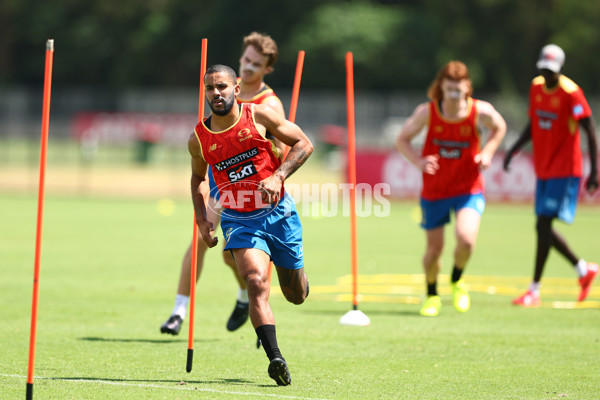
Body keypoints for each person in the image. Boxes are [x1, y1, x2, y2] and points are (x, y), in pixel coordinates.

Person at [190, 64, 312, 385]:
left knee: (296, 295)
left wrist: (278, 175)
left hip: (279, 213)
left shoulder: (258, 116)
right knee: (256, 281)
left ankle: (297, 272)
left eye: (222, 87)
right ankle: (276, 358)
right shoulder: (199, 139)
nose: (216, 93)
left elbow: (304, 144)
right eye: (210, 89)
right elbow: (197, 178)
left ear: (236, 89)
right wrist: (202, 219)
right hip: (238, 219)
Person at [161, 32, 287, 335]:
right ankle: (179, 311)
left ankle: (247, 296)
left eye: (255, 64)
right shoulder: (223, 91)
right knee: (200, 240)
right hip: (220, 185)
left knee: (231, 256)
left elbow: (283, 148)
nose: (247, 67)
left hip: (254, 190)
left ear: (266, 69)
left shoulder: (267, 103)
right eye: (245, 60)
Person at [395, 60, 506, 317]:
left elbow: (500, 127)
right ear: (441, 87)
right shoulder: (428, 112)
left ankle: (457, 280)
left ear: (467, 87)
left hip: (469, 189)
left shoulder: (480, 111)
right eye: (450, 88)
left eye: (459, 88)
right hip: (435, 191)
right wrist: (419, 162)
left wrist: (487, 152)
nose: (455, 94)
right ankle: (432, 294)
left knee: (466, 239)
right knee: (434, 251)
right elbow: (402, 139)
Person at [503, 44, 598, 307]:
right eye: (544, 70)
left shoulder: (571, 93)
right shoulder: (536, 87)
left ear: (560, 70)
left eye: (551, 71)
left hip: (566, 169)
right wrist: (513, 149)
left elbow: (590, 130)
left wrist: (594, 171)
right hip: (543, 168)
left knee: (543, 224)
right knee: (542, 226)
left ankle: (534, 290)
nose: (547, 75)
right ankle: (582, 269)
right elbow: (533, 123)